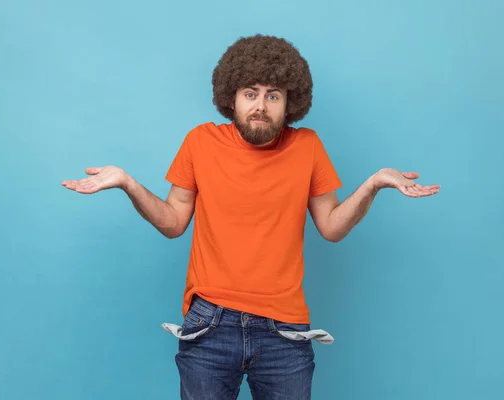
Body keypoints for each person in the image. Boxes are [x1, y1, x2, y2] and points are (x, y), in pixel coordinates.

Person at [62, 34, 440, 400]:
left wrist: (372, 185)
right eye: (251, 93)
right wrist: (128, 183)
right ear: (232, 97)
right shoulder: (200, 141)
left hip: (285, 332)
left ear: (290, 102)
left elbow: (332, 226)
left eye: (273, 95)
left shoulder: (307, 146)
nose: (261, 105)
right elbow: (174, 221)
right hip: (209, 324)